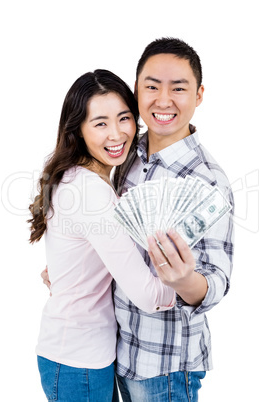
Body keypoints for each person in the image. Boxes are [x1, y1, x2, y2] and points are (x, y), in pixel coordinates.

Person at [29, 68, 197, 401]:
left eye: (124, 118)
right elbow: (148, 295)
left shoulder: (82, 176)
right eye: (100, 123)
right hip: (80, 360)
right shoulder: (92, 191)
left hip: (75, 353)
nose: (117, 134)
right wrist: (189, 283)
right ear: (78, 129)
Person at [112, 38, 234, 401]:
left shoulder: (208, 181)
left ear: (198, 95)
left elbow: (217, 282)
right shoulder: (122, 154)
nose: (163, 100)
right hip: (115, 350)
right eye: (151, 86)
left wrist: (185, 280)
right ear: (136, 91)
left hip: (164, 367)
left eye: (178, 88)